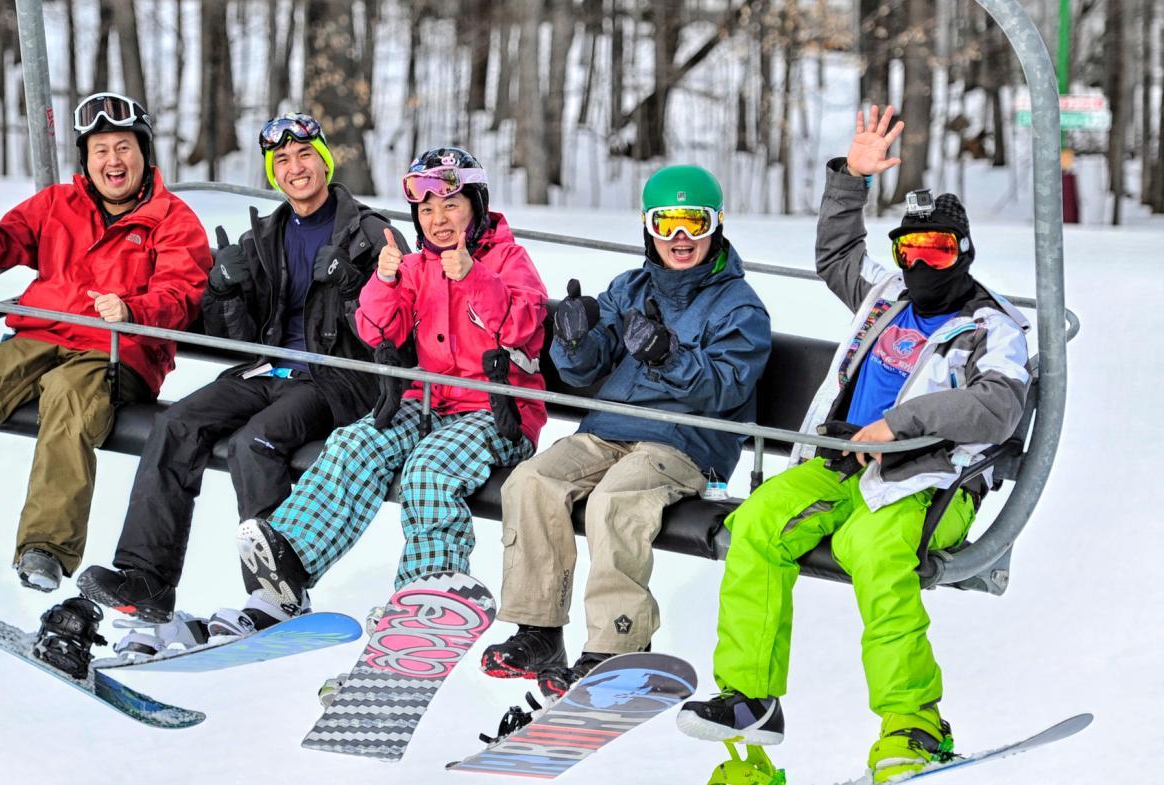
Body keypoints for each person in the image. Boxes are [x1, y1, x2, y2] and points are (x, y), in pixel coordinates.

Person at [675, 106, 1031, 784]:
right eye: (912, 249)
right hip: (837, 464)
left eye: (939, 251)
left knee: (874, 551)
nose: (923, 263)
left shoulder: (992, 325)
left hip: (930, 480)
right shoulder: (887, 295)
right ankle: (748, 701)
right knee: (755, 525)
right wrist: (851, 180)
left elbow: (999, 406)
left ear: (964, 253)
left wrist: (902, 424)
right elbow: (836, 255)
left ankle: (912, 723)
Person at [0, 92, 212, 597]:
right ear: (86, 160)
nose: (113, 161)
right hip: (40, 333)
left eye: (124, 148)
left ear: (144, 153)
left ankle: (46, 544)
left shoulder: (172, 220)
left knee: (69, 403)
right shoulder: (58, 205)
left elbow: (181, 292)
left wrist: (135, 310)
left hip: (115, 350)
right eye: (100, 151)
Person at [76, 113, 408, 627]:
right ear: (274, 175)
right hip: (265, 370)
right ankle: (148, 578)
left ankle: (277, 589)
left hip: (337, 377)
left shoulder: (370, 233)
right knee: (176, 425)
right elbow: (235, 339)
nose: (295, 169)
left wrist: (350, 289)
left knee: (257, 444)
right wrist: (225, 290)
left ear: (323, 161)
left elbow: (397, 330)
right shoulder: (267, 235)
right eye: (282, 163)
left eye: (304, 157)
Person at [209, 146, 548, 640]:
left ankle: (428, 596)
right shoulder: (417, 266)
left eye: (451, 205)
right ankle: (291, 563)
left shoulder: (507, 259)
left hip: (497, 412)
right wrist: (384, 281)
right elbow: (375, 332)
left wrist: (476, 280)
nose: (439, 220)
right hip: (427, 403)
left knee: (429, 470)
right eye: (427, 210)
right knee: (355, 443)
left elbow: (524, 326)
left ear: (475, 205)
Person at [480, 165, 772, 698]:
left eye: (693, 224)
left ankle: (616, 644)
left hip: (684, 442)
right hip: (609, 430)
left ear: (716, 227)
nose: (680, 239)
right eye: (667, 225)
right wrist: (572, 340)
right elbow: (585, 371)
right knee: (530, 480)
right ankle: (540, 629)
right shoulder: (629, 288)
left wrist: (669, 355)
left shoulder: (740, 306)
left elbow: (726, 389)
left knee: (613, 501)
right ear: (648, 227)